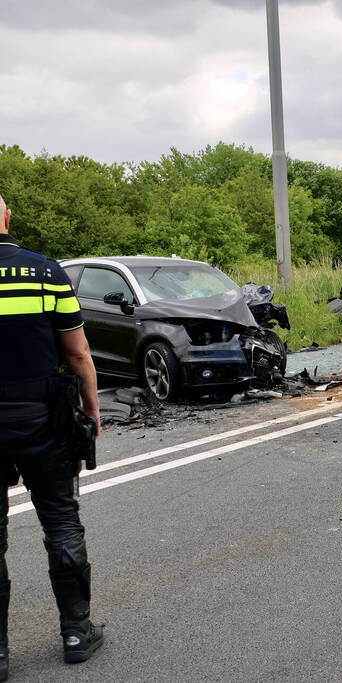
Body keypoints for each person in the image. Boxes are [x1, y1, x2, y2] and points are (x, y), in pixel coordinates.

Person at [0, 194, 104, 680]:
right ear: (7, 217)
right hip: (43, 418)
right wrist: (92, 410)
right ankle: (77, 633)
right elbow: (78, 353)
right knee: (61, 522)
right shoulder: (45, 271)